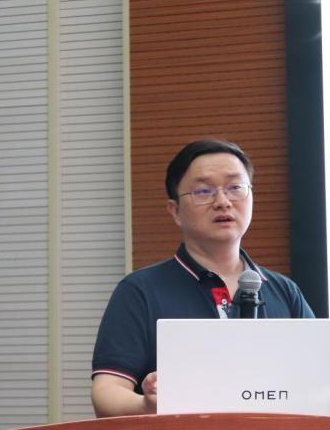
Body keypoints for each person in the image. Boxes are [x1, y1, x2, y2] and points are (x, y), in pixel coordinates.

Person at [90, 139, 315, 417]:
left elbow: (318, 378)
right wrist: (147, 406)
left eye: (235, 187)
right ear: (175, 211)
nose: (223, 202)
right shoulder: (140, 291)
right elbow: (107, 391)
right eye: (203, 191)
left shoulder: (285, 292)